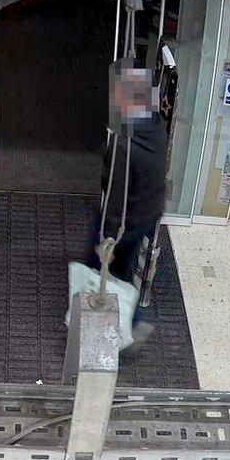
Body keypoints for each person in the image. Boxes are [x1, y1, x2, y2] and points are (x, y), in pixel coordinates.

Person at [88, 60, 167, 349]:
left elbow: (115, 196)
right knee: (124, 264)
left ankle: (120, 326)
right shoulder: (156, 127)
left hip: (127, 218)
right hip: (148, 211)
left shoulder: (125, 142)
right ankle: (131, 321)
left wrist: (106, 237)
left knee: (105, 266)